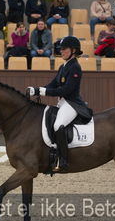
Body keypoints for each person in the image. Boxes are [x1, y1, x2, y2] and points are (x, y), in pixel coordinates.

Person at [27, 36, 92, 172]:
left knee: (58, 125)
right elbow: (53, 84)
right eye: (61, 49)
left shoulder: (75, 67)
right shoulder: (63, 66)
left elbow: (66, 90)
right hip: (62, 103)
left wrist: (44, 92)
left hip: (72, 103)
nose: (61, 51)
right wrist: (38, 90)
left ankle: (63, 160)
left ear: (73, 50)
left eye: (64, 49)